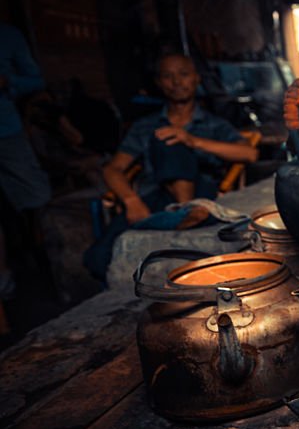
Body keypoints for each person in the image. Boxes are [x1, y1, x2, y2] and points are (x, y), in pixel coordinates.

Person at [84, 53, 257, 281]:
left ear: (196, 79)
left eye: (184, 74)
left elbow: (249, 153)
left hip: (201, 192)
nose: (176, 82)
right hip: (152, 198)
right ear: (158, 83)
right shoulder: (146, 126)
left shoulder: (213, 124)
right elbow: (112, 169)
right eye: (168, 76)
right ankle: (182, 215)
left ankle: (182, 211)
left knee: (173, 142)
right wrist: (131, 200)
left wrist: (192, 140)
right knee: (96, 259)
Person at [0, 23, 52, 305]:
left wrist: (8, 82)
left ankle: (46, 269)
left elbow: (36, 79)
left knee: (35, 198)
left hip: (5, 131)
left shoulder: (8, 35)